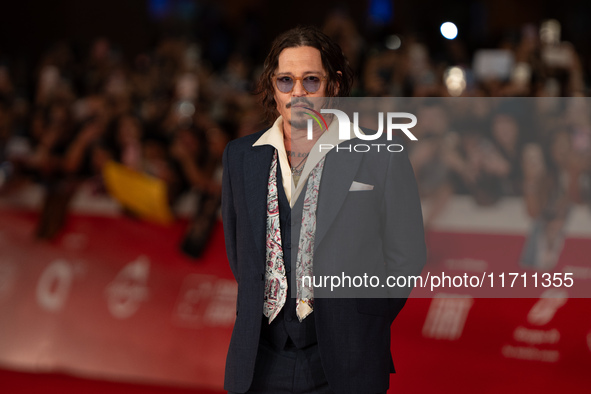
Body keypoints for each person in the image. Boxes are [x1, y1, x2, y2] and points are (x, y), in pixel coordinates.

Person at [222, 25, 426, 394]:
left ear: (332, 84)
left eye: (310, 80)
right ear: (272, 85)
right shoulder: (240, 157)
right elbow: (241, 254)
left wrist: (365, 320)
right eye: (286, 80)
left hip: (349, 361)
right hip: (260, 360)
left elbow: (406, 255)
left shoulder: (380, 154)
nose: (297, 92)